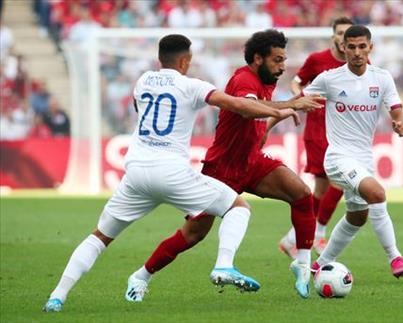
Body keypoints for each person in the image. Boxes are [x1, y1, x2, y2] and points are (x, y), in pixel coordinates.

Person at [43, 34, 302, 312]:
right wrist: (289, 105)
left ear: (159, 58)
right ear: (185, 60)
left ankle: (57, 296)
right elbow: (239, 105)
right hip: (170, 172)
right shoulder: (192, 85)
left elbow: (138, 109)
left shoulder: (143, 81)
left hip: (135, 173)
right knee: (238, 207)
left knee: (100, 237)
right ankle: (224, 265)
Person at [126, 29, 322, 300]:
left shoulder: (267, 81)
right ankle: (141, 276)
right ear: (257, 58)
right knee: (194, 234)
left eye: (283, 59)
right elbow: (245, 107)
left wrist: (279, 115)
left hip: (251, 162)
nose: (282, 66)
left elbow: (256, 128)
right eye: (277, 60)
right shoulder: (243, 79)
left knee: (302, 195)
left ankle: (301, 265)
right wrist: (288, 105)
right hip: (222, 169)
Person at [303, 25, 403, 278]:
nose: (357, 52)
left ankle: (319, 264)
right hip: (338, 157)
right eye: (351, 47)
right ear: (343, 48)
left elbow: (395, 109)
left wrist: (399, 123)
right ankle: (395, 257)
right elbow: (301, 100)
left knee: (358, 217)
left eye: (362, 46)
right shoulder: (330, 78)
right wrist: (272, 117)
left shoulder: (382, 77)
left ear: (370, 47)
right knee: (377, 193)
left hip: (364, 158)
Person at [279, 17, 353, 258]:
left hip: (344, 132)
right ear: (333, 36)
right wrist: (301, 100)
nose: (344, 38)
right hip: (318, 131)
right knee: (339, 183)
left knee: (322, 189)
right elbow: (296, 82)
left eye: (348, 34)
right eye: (340, 32)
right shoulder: (317, 60)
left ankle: (293, 237)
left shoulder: (359, 61)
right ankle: (318, 233)